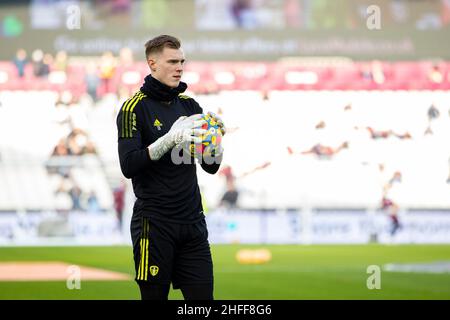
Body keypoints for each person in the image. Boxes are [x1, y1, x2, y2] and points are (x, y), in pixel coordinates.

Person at [116, 35, 226, 300]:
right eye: (173, 61)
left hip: (192, 224)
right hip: (154, 225)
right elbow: (128, 164)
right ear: (152, 63)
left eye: (182, 61)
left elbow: (210, 167)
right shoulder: (133, 108)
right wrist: (166, 141)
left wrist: (216, 143)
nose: (180, 67)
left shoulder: (190, 105)